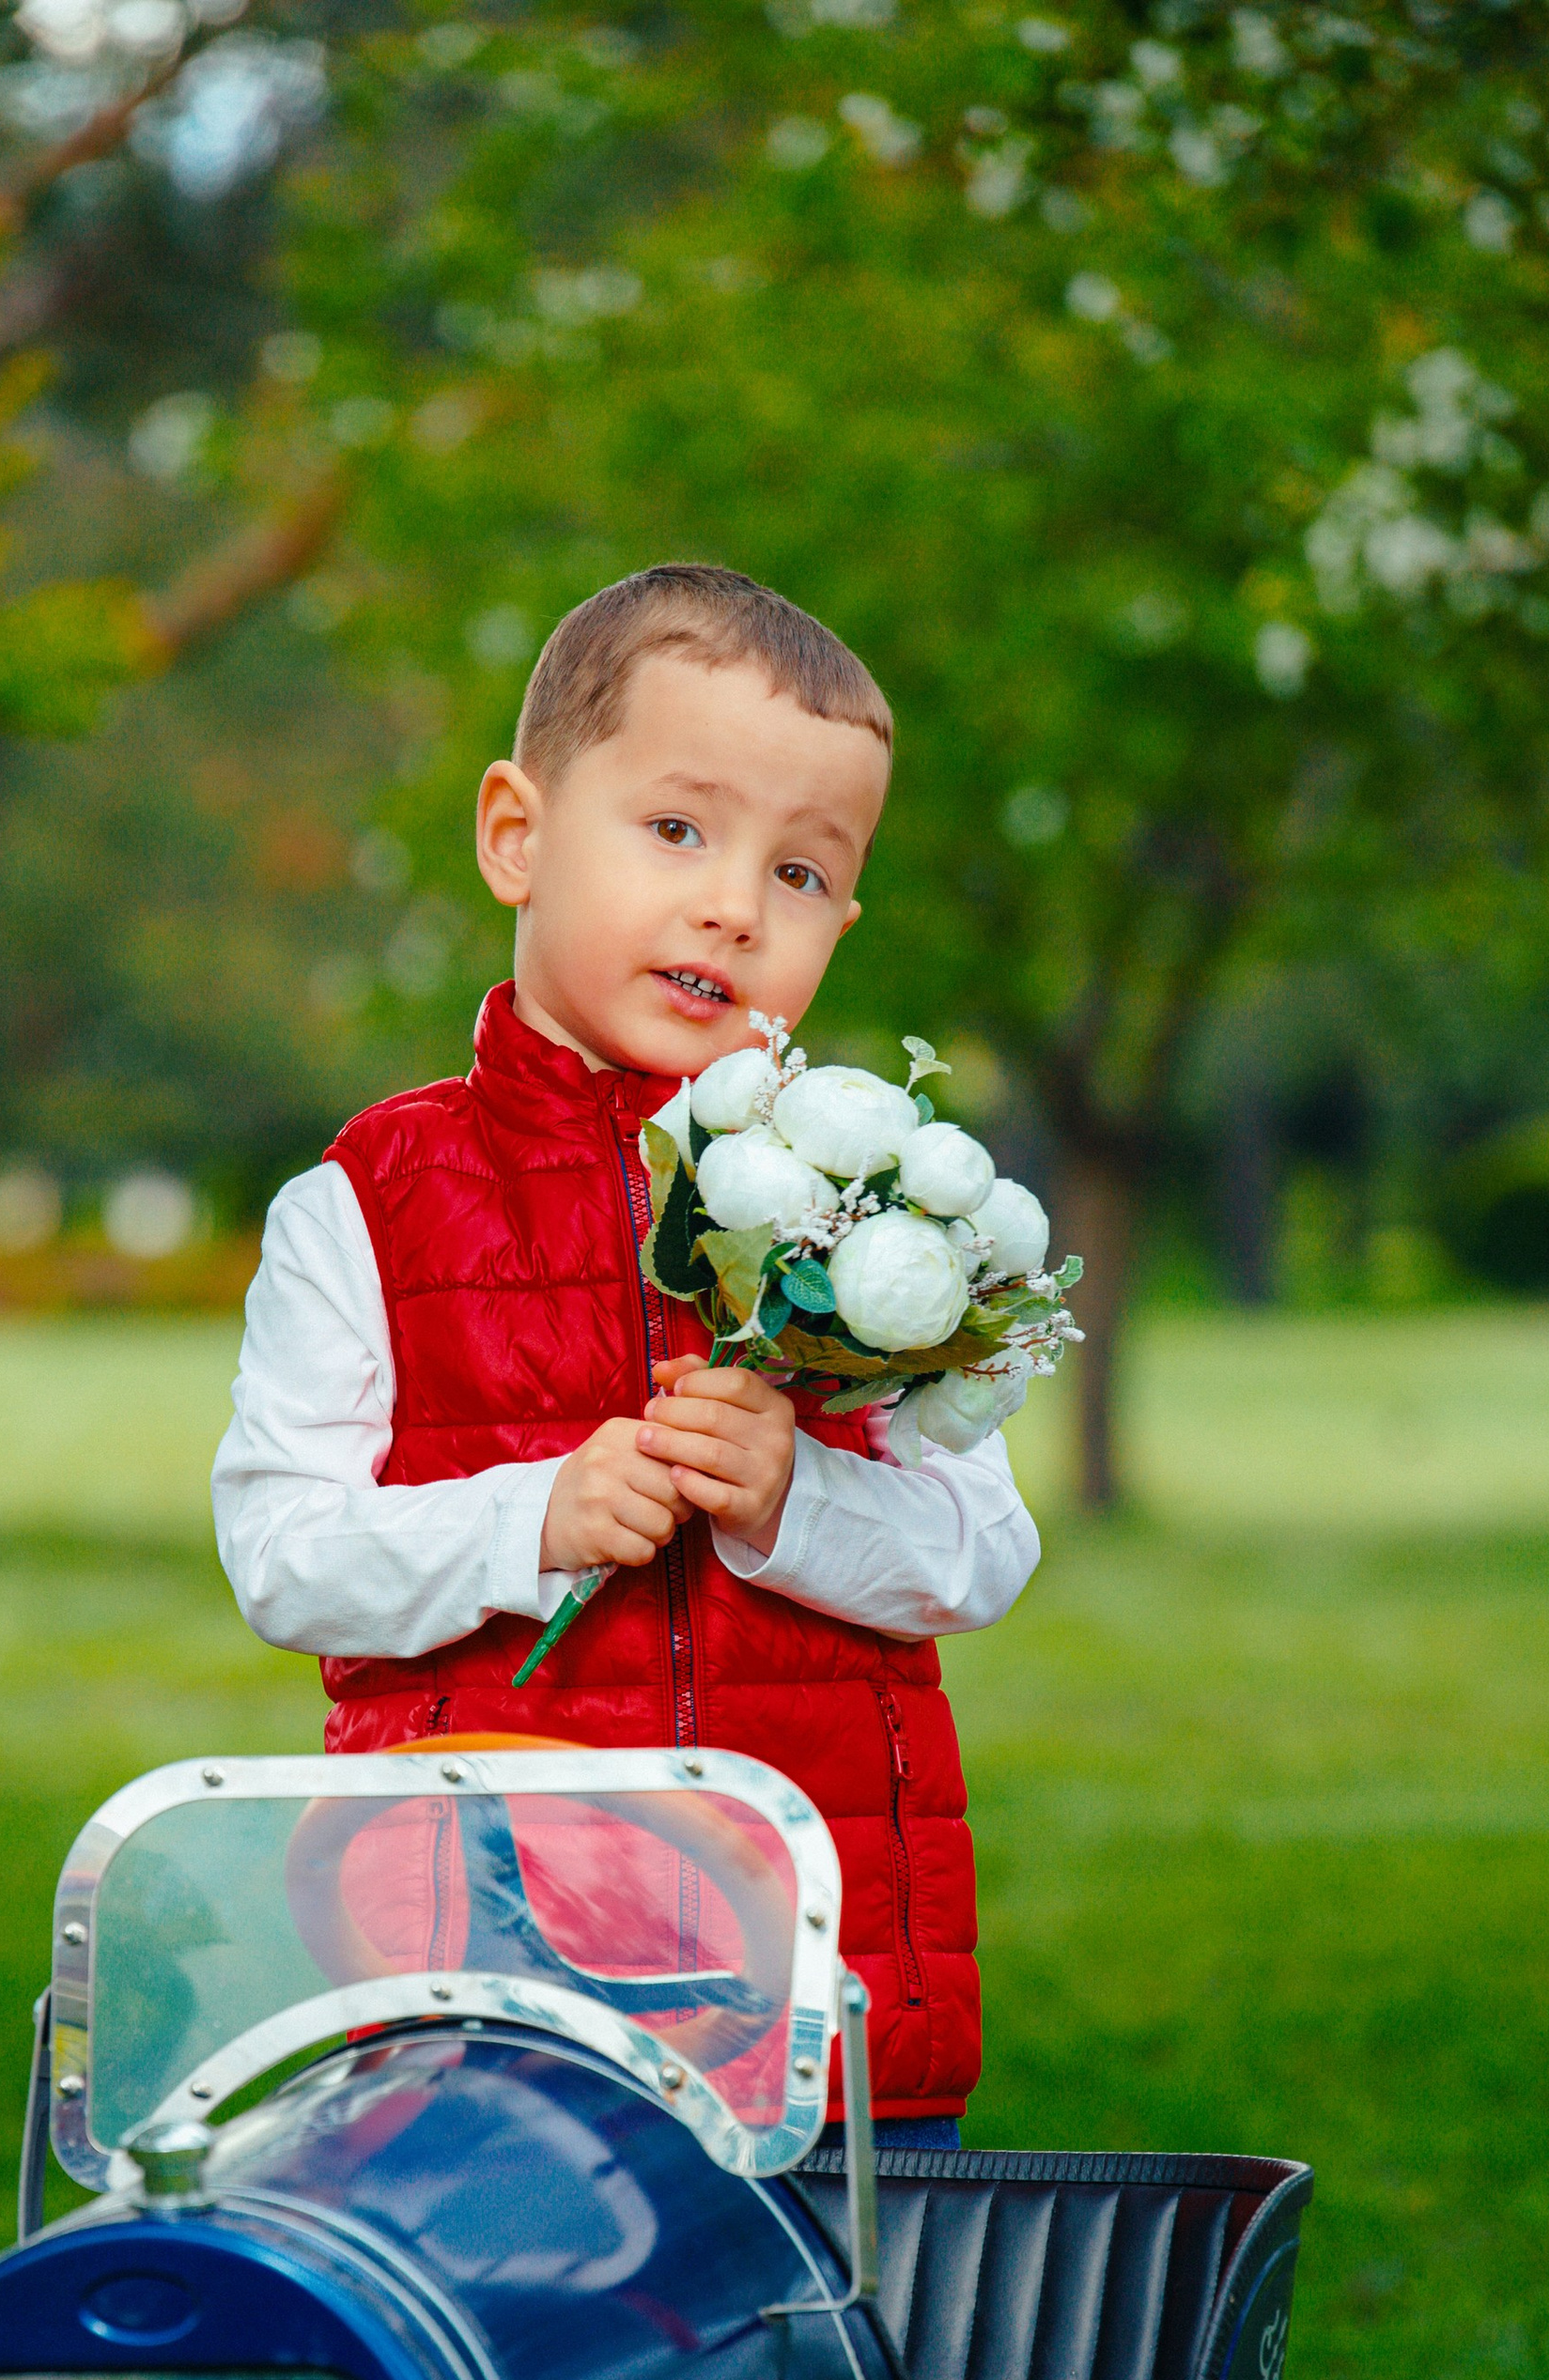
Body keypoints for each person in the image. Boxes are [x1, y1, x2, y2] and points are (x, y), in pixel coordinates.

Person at [211, 564, 1040, 2138]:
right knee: (524, 2346)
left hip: (816, 1959)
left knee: (821, 2358)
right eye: (678, 830)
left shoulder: (878, 1224)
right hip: (482, 1960)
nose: (735, 901)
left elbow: (980, 1554)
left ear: (844, 920)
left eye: (801, 874)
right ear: (517, 834)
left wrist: (790, 1504)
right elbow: (281, 1552)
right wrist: (531, 1517)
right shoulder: (365, 1205)